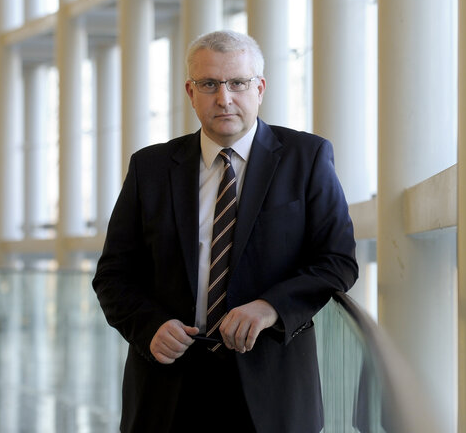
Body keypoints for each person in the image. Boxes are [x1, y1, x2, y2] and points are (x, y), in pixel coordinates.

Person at [92, 30, 358, 432]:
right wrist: (150, 327)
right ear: (190, 91)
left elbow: (337, 260)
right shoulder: (150, 168)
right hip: (167, 387)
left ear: (260, 88)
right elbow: (113, 275)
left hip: (271, 383)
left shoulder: (307, 157)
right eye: (209, 84)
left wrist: (271, 307)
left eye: (238, 83)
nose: (224, 98)